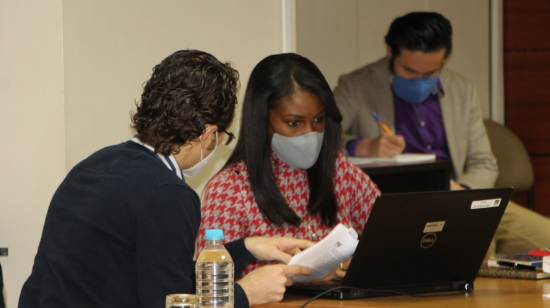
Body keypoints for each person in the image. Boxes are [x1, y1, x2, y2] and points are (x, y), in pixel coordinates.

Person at [18, 50, 312, 308]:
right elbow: (171, 302)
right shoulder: (167, 193)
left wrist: (245, 248)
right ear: (209, 134)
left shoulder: (96, 165)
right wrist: (246, 292)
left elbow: (161, 270)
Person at [333, 12, 550, 256]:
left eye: (430, 74)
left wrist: (464, 191)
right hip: (402, 204)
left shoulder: (462, 90)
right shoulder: (357, 86)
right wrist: (358, 147)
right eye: (410, 71)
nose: (420, 80)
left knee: (545, 237)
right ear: (390, 53)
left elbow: (485, 163)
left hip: (463, 198)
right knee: (475, 242)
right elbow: (322, 139)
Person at [197, 53, 380, 278]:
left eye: (319, 120)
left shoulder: (339, 170)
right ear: (262, 119)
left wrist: (351, 264)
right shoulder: (230, 187)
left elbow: (389, 234)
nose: (310, 133)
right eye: (294, 123)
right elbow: (211, 281)